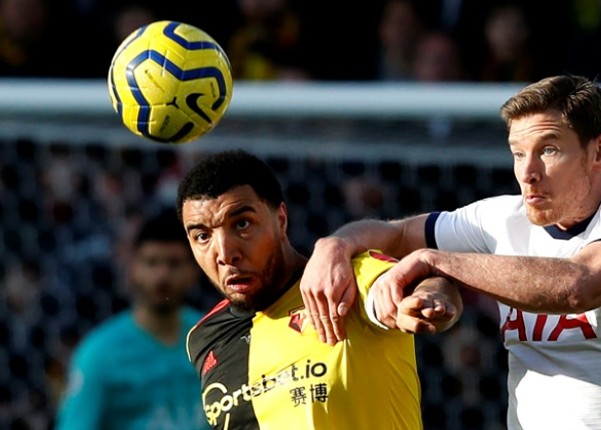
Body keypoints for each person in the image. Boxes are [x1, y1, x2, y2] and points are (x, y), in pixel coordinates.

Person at [300, 74, 601, 429]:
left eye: (549, 149)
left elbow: (579, 285)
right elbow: (396, 233)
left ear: (600, 153)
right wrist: (335, 245)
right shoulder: (501, 219)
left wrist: (436, 261)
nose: (528, 172)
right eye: (518, 153)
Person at [176, 149, 462, 429]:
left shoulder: (343, 278)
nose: (224, 253)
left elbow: (424, 279)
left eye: (242, 224)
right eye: (202, 236)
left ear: (281, 220)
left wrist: (430, 296)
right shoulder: (204, 337)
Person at [56, 209, 207, 430]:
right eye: (151, 262)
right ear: (133, 269)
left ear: (194, 271)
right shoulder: (100, 354)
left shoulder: (211, 338)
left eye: (174, 263)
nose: (162, 275)